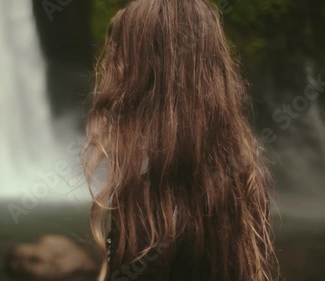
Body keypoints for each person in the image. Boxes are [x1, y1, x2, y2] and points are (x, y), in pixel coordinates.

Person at [81, 0, 279, 280]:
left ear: (145, 77)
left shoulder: (147, 200)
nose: (113, 73)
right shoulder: (246, 179)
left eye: (121, 57)